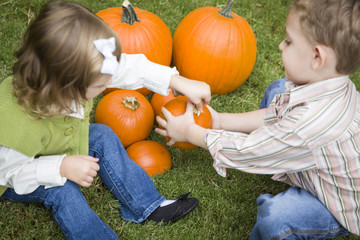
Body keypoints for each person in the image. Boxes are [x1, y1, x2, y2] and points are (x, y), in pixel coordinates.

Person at [0, 1, 211, 239]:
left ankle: (148, 205)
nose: (107, 85)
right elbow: (8, 171)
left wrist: (178, 82)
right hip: (17, 174)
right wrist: (60, 167)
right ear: (69, 88)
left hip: (50, 146)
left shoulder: (75, 76)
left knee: (102, 135)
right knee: (62, 190)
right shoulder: (16, 123)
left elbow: (127, 68)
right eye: (100, 85)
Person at [156, 0, 360, 238]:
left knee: (277, 218)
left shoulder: (310, 125)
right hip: (317, 155)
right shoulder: (331, 86)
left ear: (317, 57)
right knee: (279, 90)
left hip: (337, 202)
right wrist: (219, 120)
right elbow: (277, 115)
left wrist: (191, 133)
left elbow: (249, 151)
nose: (280, 45)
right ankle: (284, 155)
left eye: (289, 41)